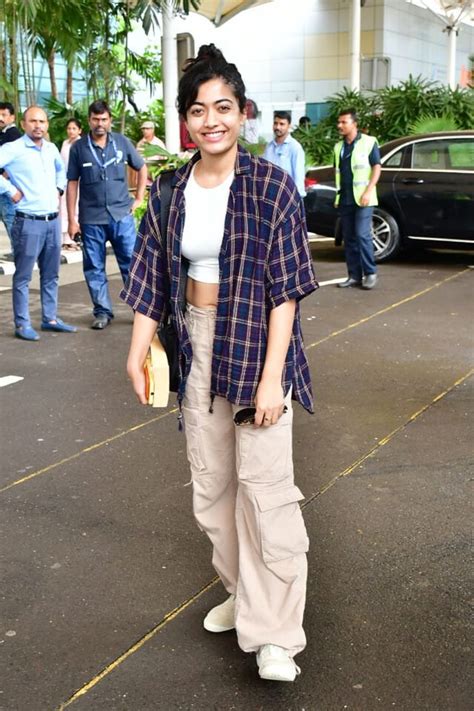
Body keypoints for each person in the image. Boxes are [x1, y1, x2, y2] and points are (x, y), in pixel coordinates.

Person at [121, 44, 318, 682]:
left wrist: (272, 377)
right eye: (199, 110)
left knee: (264, 492)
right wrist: (137, 346)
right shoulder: (172, 187)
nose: (212, 120)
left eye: (223, 107)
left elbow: (286, 291)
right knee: (212, 489)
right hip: (197, 341)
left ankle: (276, 635)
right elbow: (153, 271)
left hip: (258, 339)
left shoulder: (272, 185)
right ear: (186, 121)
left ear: (242, 114)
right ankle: (244, 595)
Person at [66, 99, 147, 330]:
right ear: (89, 120)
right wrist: (72, 220)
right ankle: (102, 312)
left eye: (104, 119)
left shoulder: (122, 142)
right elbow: (72, 183)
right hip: (91, 219)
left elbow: (141, 167)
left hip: (121, 216)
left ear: (109, 120)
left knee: (131, 264)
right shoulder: (79, 148)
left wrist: (139, 198)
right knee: (94, 266)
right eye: (95, 119)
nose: (100, 123)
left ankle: (140, 310)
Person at [0, 106, 77, 341]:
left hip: (52, 221)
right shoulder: (12, 149)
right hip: (28, 221)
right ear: (23, 123)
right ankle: (22, 324)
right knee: (23, 276)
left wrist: (58, 188)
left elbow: (60, 170)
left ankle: (50, 319)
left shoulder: (51, 148)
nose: (38, 126)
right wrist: (10, 190)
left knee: (51, 274)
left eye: (42, 121)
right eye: (33, 121)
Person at [334, 108, 381, 290]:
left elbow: (376, 167)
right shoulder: (338, 147)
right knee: (349, 238)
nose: (340, 125)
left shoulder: (369, 143)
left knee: (362, 234)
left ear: (354, 124)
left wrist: (369, 190)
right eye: (339, 122)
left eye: (344, 122)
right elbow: (338, 171)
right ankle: (354, 275)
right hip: (345, 198)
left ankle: (370, 273)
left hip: (364, 198)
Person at [263, 110, 306, 197]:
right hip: (270, 196)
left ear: (289, 126)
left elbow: (299, 178)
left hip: (287, 198)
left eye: (282, 124)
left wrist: (297, 200)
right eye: (275, 123)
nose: (277, 127)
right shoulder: (269, 147)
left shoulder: (295, 148)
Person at [0, 101, 22, 250]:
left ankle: (20, 252)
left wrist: (6, 179)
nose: (0, 118)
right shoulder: (2, 133)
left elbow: (16, 160)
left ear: (12, 117)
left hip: (7, 188)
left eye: (4, 115)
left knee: (10, 219)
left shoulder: (13, 135)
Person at [59, 118, 82, 251]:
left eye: (74, 128)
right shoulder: (65, 143)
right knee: (64, 208)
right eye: (69, 128)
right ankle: (65, 239)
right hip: (65, 181)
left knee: (76, 209)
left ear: (79, 130)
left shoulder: (81, 144)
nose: (71, 131)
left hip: (78, 181)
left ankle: (76, 236)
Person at [136, 120, 167, 185]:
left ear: (152, 130)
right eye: (143, 129)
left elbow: (164, 160)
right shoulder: (140, 144)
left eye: (147, 129)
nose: (145, 131)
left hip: (155, 173)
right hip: (142, 174)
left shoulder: (158, 143)